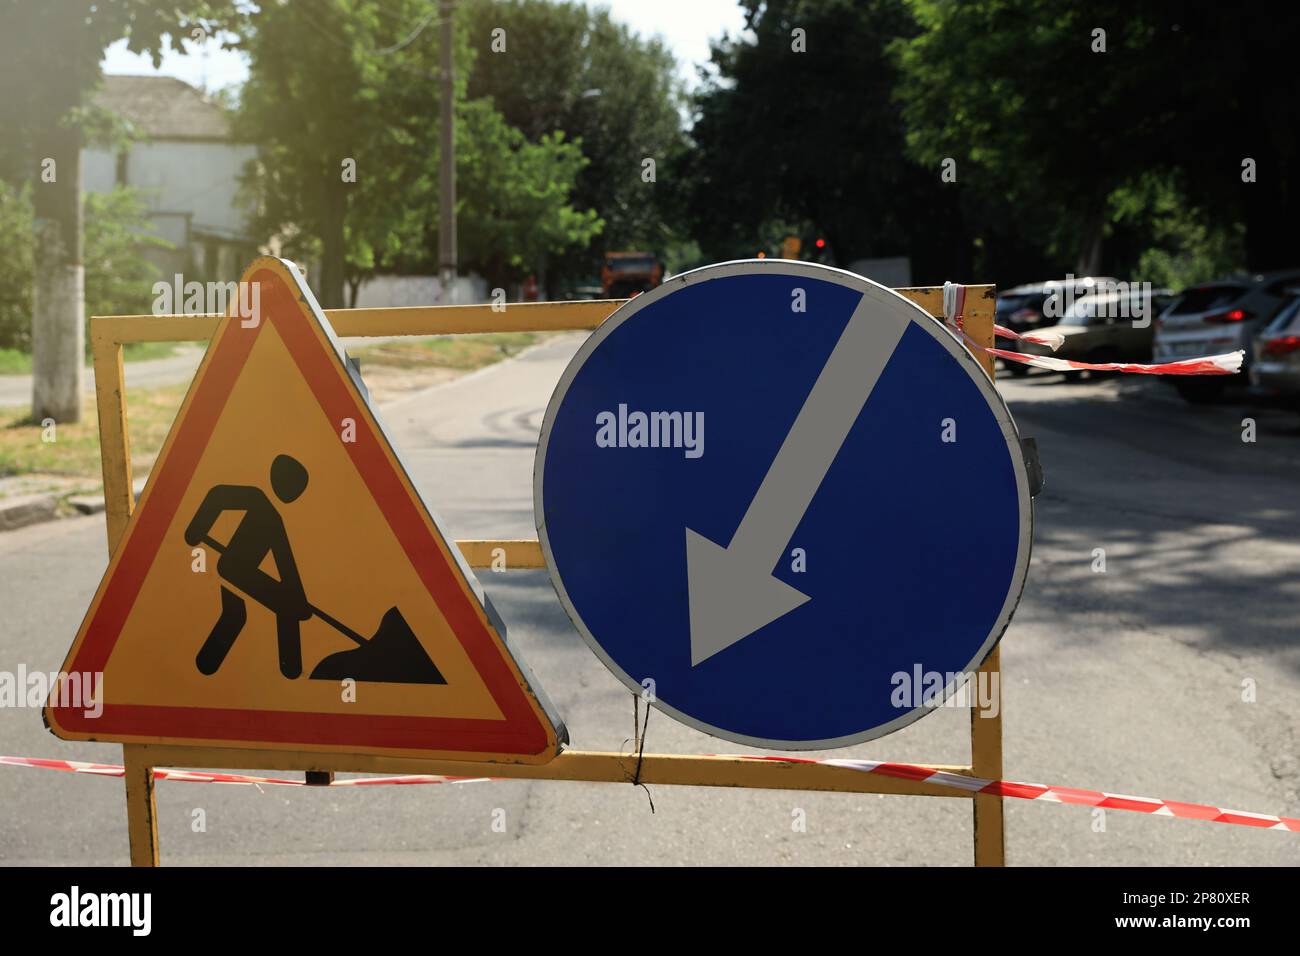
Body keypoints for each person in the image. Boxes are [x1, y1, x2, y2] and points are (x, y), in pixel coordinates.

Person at [184, 455, 312, 679]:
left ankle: (206, 665)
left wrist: (299, 599)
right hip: (234, 568)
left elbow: (286, 564)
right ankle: (290, 667)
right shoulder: (258, 500)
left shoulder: (274, 518)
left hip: (241, 572)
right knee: (278, 606)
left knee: (237, 615)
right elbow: (218, 496)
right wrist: (196, 529)